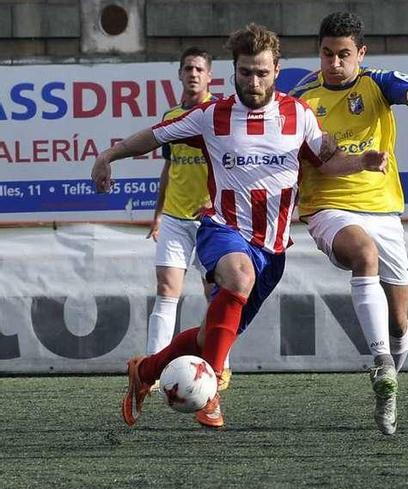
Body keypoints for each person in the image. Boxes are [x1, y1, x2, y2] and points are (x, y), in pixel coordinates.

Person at [91, 23, 388, 429]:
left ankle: (144, 372)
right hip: (222, 229)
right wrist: (109, 155)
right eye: (245, 72)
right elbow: (154, 136)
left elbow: (327, 160)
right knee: (238, 275)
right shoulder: (212, 116)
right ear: (233, 71)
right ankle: (210, 392)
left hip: (273, 249)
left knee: (209, 335)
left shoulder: (298, 115)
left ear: (277, 70)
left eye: (262, 72)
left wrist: (363, 162)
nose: (253, 80)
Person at [290, 11, 408, 435]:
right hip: (328, 208)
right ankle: (380, 361)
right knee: (363, 254)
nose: (334, 62)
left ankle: (389, 386)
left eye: (344, 54)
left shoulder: (378, 82)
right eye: (327, 54)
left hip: (384, 211)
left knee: (400, 321)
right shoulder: (302, 98)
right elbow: (309, 161)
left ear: (360, 54)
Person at [145, 47, 233, 392]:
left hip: (211, 219)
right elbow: (169, 167)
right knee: (167, 290)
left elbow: (231, 165)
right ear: (180, 75)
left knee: (216, 294)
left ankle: (220, 365)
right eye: (188, 68)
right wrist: (157, 215)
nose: (193, 74)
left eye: (199, 68)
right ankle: (152, 369)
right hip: (174, 218)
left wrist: (216, 199)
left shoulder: (219, 114)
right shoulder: (171, 116)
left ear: (210, 76)